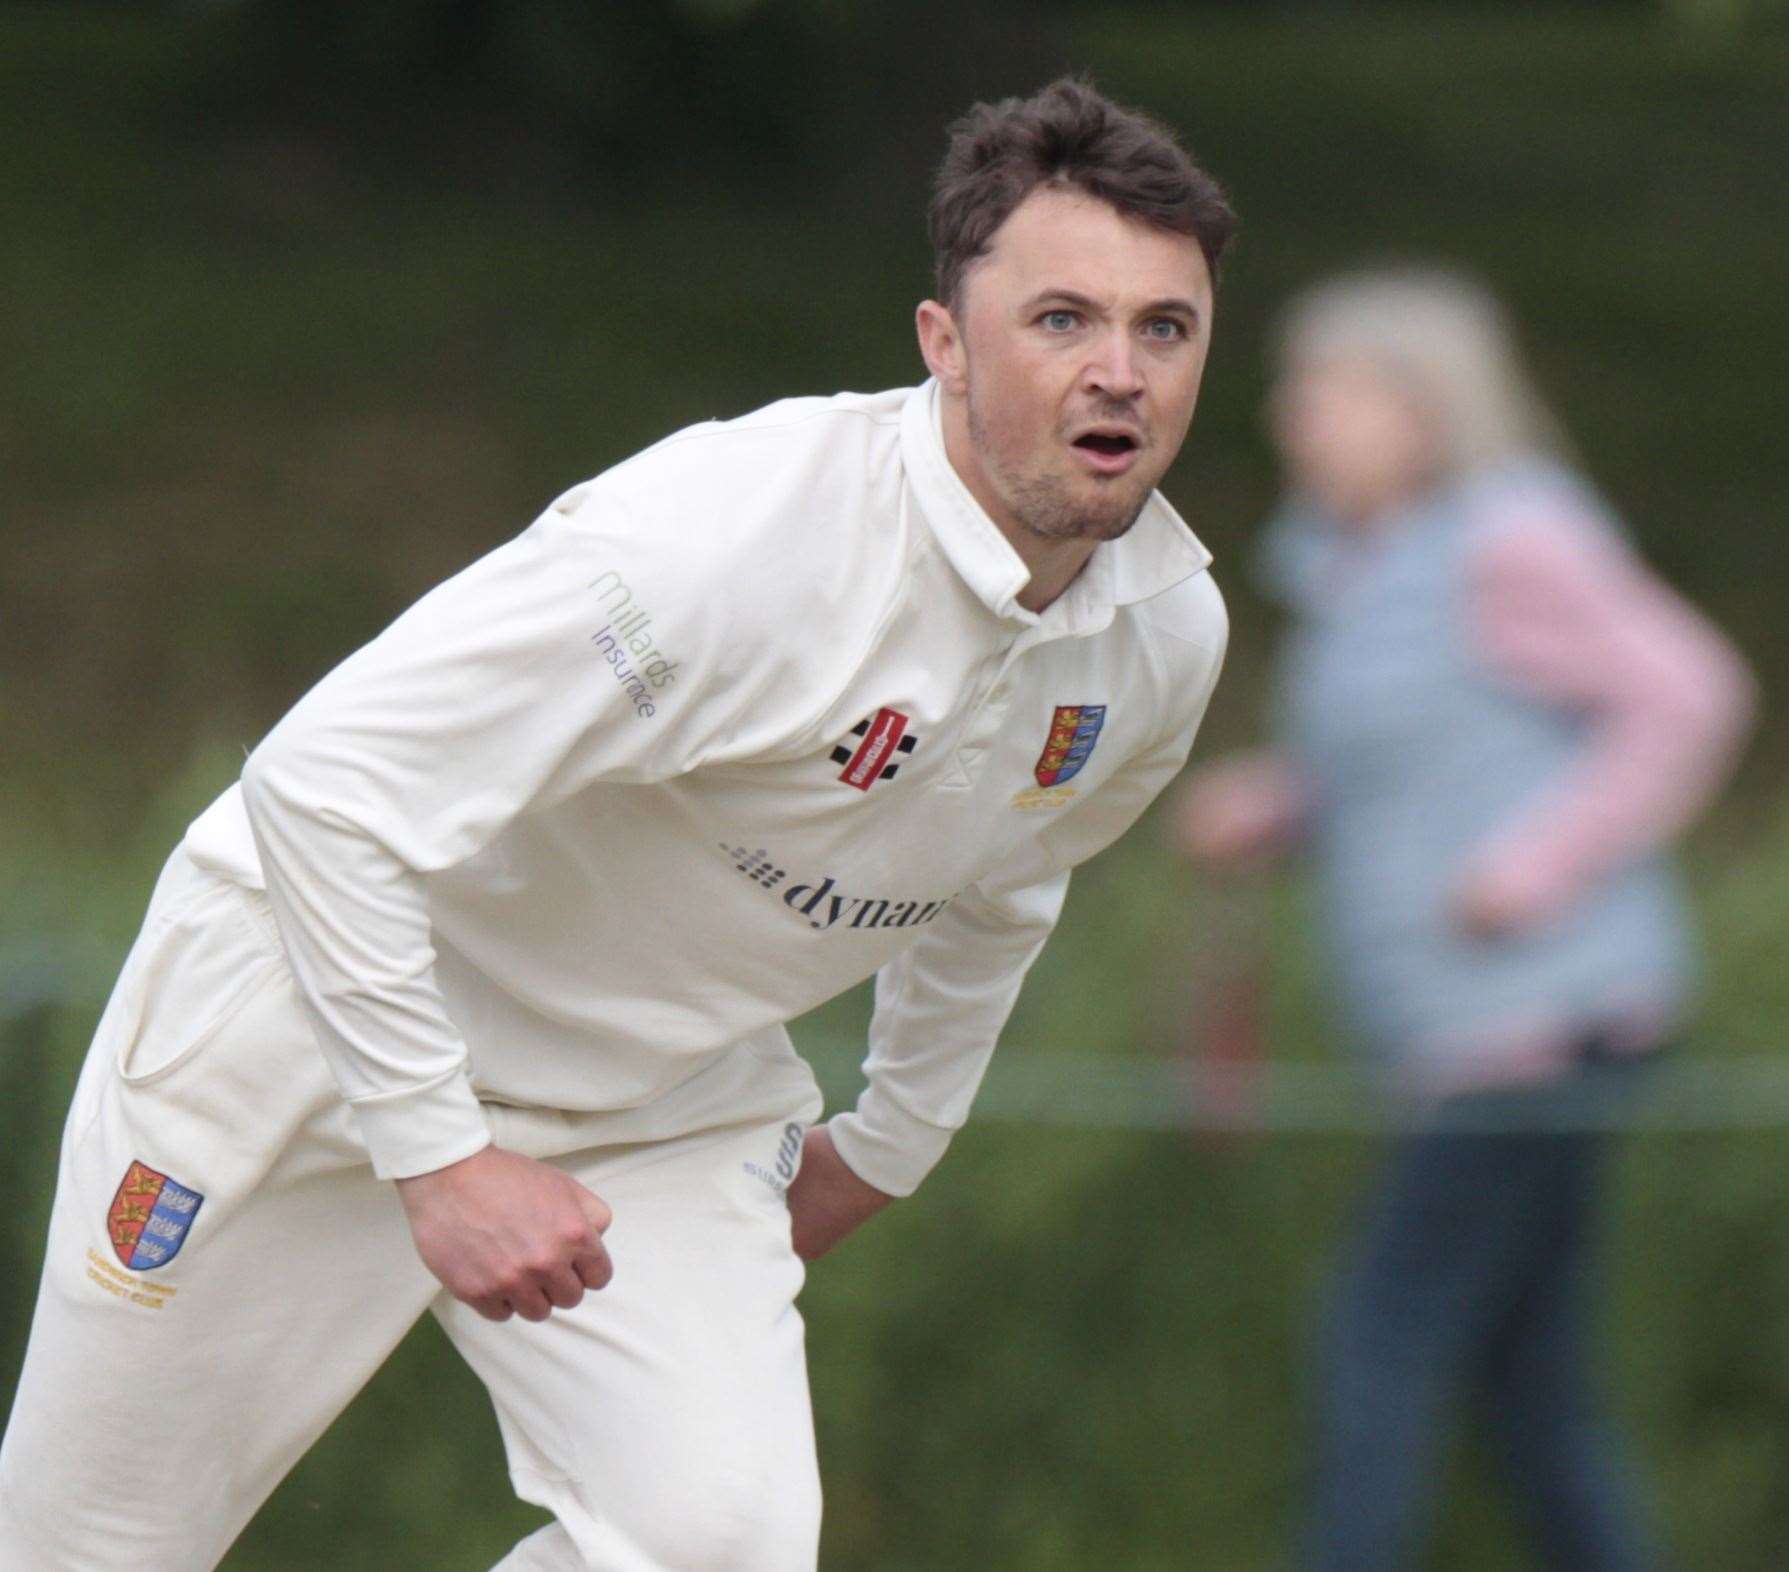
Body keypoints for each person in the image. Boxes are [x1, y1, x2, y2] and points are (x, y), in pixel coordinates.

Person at [0, 80, 1236, 1571]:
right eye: (1059, 320)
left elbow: (1001, 882)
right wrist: (441, 1154)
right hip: (309, 1033)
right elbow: (322, 790)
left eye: (1161, 328)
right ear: (942, 344)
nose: (1118, 372)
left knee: (713, 1546)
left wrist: (889, 1143)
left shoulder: (1159, 637)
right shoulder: (725, 543)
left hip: (653, 1104)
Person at [1175, 268, 1755, 1570]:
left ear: (1418, 408)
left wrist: (1532, 870)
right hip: (1457, 1030)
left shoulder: (1512, 535)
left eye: (1323, 390)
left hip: (1537, 1021)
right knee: (1530, 1385)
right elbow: (1424, 758)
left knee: (1376, 1333)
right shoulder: (1357, 564)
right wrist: (1280, 805)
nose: (1289, 416)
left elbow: (1688, 693)